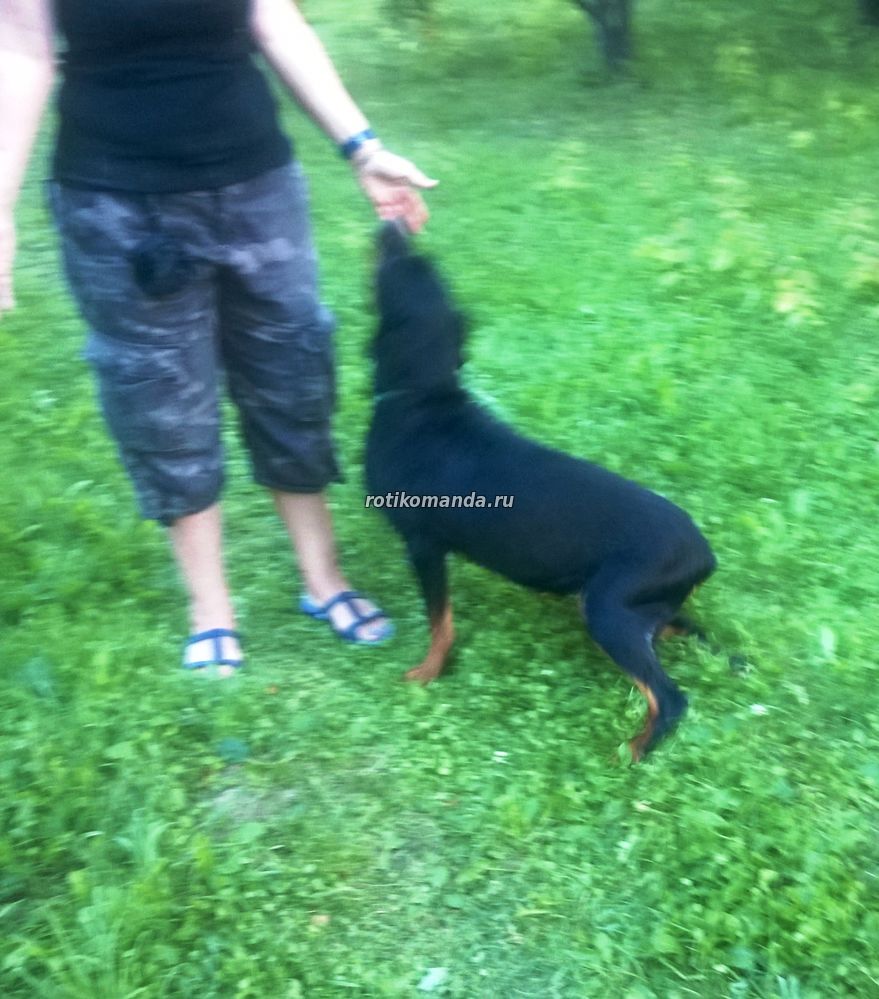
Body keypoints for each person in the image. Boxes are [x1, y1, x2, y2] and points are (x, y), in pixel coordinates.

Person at [0, 0, 437, 674]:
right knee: (160, 401)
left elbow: (276, 23)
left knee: (291, 373)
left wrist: (363, 148)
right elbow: (23, 51)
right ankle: (211, 610)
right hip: (116, 204)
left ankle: (324, 578)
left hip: (257, 187)